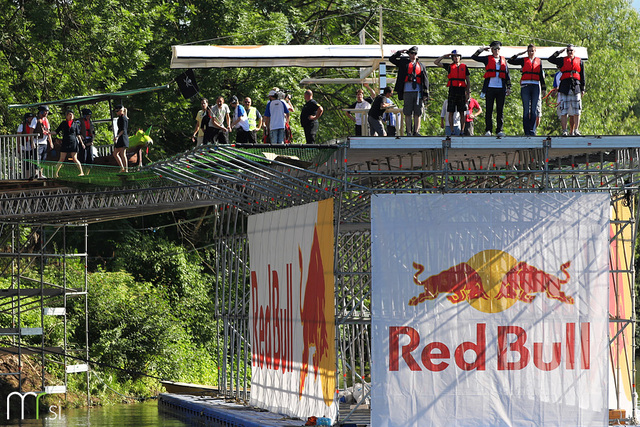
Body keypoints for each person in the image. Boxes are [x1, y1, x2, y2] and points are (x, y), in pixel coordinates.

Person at [472, 41, 511, 137]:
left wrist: (508, 87)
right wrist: (481, 50)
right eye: (495, 49)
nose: (497, 50)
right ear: (491, 50)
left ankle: (499, 130)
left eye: (498, 49)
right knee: (489, 110)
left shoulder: (503, 60)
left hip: (501, 88)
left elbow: (507, 75)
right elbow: (474, 57)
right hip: (490, 88)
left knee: (500, 110)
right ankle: (488, 130)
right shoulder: (487, 59)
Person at [390, 45, 430, 136]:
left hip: (418, 91)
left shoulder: (421, 65)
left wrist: (425, 94)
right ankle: (408, 132)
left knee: (418, 112)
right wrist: (399, 52)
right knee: (407, 112)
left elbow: (426, 80)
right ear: (408, 54)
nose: (413, 55)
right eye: (411, 53)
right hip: (407, 90)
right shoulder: (403, 62)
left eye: (415, 53)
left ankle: (416, 131)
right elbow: (391, 59)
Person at [508, 44, 547, 136]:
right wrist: (519, 54)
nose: (531, 53)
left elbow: (541, 75)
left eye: (532, 51)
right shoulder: (523, 60)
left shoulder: (539, 61)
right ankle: (526, 132)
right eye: (529, 51)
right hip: (525, 86)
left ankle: (532, 131)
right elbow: (510, 61)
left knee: (533, 110)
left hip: (535, 86)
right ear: (527, 51)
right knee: (526, 110)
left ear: (535, 51)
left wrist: (544, 88)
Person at [548, 44, 585, 136]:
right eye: (568, 51)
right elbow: (550, 59)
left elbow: (582, 76)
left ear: (574, 51)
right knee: (564, 110)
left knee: (577, 110)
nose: (569, 52)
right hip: (565, 87)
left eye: (571, 50)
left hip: (576, 87)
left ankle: (576, 130)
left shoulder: (579, 61)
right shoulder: (562, 60)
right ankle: (564, 130)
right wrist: (559, 52)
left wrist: (583, 88)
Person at [434, 49, 470, 137]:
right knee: (451, 111)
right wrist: (444, 56)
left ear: (460, 57)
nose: (456, 58)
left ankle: (462, 130)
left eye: (458, 56)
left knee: (462, 112)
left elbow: (468, 81)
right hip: (452, 90)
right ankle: (452, 130)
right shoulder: (449, 66)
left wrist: (468, 93)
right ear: (452, 58)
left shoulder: (464, 67)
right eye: (454, 56)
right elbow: (436, 62)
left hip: (461, 90)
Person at [54, 110, 84, 177]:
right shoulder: (63, 123)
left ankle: (81, 172)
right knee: (61, 159)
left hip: (73, 142)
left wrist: (82, 143)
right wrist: (49, 133)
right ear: (66, 116)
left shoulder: (75, 124)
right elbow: (57, 131)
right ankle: (55, 173)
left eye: (71, 114)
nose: (70, 116)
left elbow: (78, 134)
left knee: (74, 158)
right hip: (65, 142)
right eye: (69, 114)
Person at [29, 105, 53, 179]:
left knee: (43, 159)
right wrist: (32, 142)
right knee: (37, 158)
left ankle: (40, 174)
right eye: (45, 111)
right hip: (37, 142)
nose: (46, 113)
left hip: (44, 142)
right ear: (41, 112)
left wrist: (50, 142)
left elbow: (48, 131)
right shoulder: (35, 119)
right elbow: (31, 131)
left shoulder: (46, 120)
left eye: (47, 112)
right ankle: (36, 173)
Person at [17, 112, 36, 179]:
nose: (31, 119)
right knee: (27, 161)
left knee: (34, 159)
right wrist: (18, 145)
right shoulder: (22, 126)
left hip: (31, 144)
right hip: (24, 145)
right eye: (29, 118)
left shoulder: (34, 125)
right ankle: (27, 176)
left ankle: (35, 174)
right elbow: (18, 136)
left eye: (31, 118)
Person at [113, 105, 129, 172]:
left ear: (121, 111)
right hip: (120, 137)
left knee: (122, 153)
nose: (116, 112)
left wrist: (117, 136)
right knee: (115, 153)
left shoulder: (123, 118)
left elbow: (123, 130)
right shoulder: (120, 118)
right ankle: (122, 168)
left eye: (117, 111)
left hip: (123, 137)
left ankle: (126, 169)